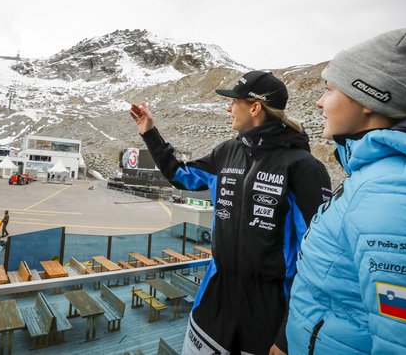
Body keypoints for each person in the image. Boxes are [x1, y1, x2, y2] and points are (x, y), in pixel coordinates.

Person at [287, 23, 406, 354]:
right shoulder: (388, 174)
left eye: (330, 90)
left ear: (369, 98)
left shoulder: (398, 196)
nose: (318, 102)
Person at [130, 71, 332, 355]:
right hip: (216, 297)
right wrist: (149, 132)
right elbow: (181, 175)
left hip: (269, 311)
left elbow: (318, 256)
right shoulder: (226, 151)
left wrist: (288, 333)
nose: (228, 108)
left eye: (233, 101)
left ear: (254, 107)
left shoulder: (305, 167)